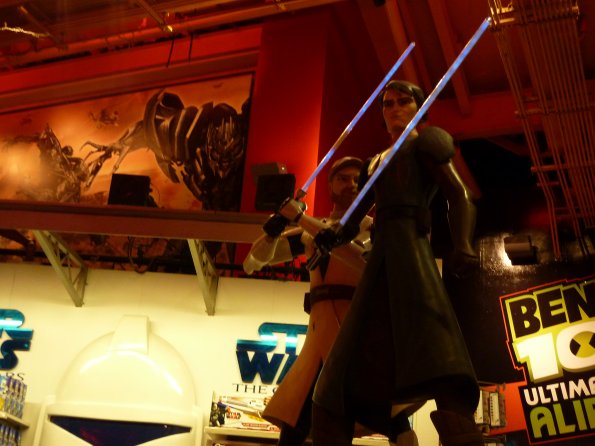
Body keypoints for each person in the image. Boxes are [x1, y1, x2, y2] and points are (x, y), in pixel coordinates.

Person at [310, 80, 483, 446]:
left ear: (419, 107)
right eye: (388, 103)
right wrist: (330, 236)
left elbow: (460, 194)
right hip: (381, 260)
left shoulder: (426, 142)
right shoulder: (374, 163)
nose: (394, 108)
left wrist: (464, 243)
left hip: (412, 255)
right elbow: (352, 220)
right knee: (333, 384)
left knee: (441, 358)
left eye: (403, 101)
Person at [243, 157, 420, 446]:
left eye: (357, 179)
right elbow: (254, 261)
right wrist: (274, 229)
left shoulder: (374, 229)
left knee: (394, 419)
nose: (351, 184)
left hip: (358, 335)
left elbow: (360, 259)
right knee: (295, 423)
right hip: (319, 336)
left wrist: (301, 218)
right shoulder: (310, 233)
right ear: (330, 186)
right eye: (343, 178)